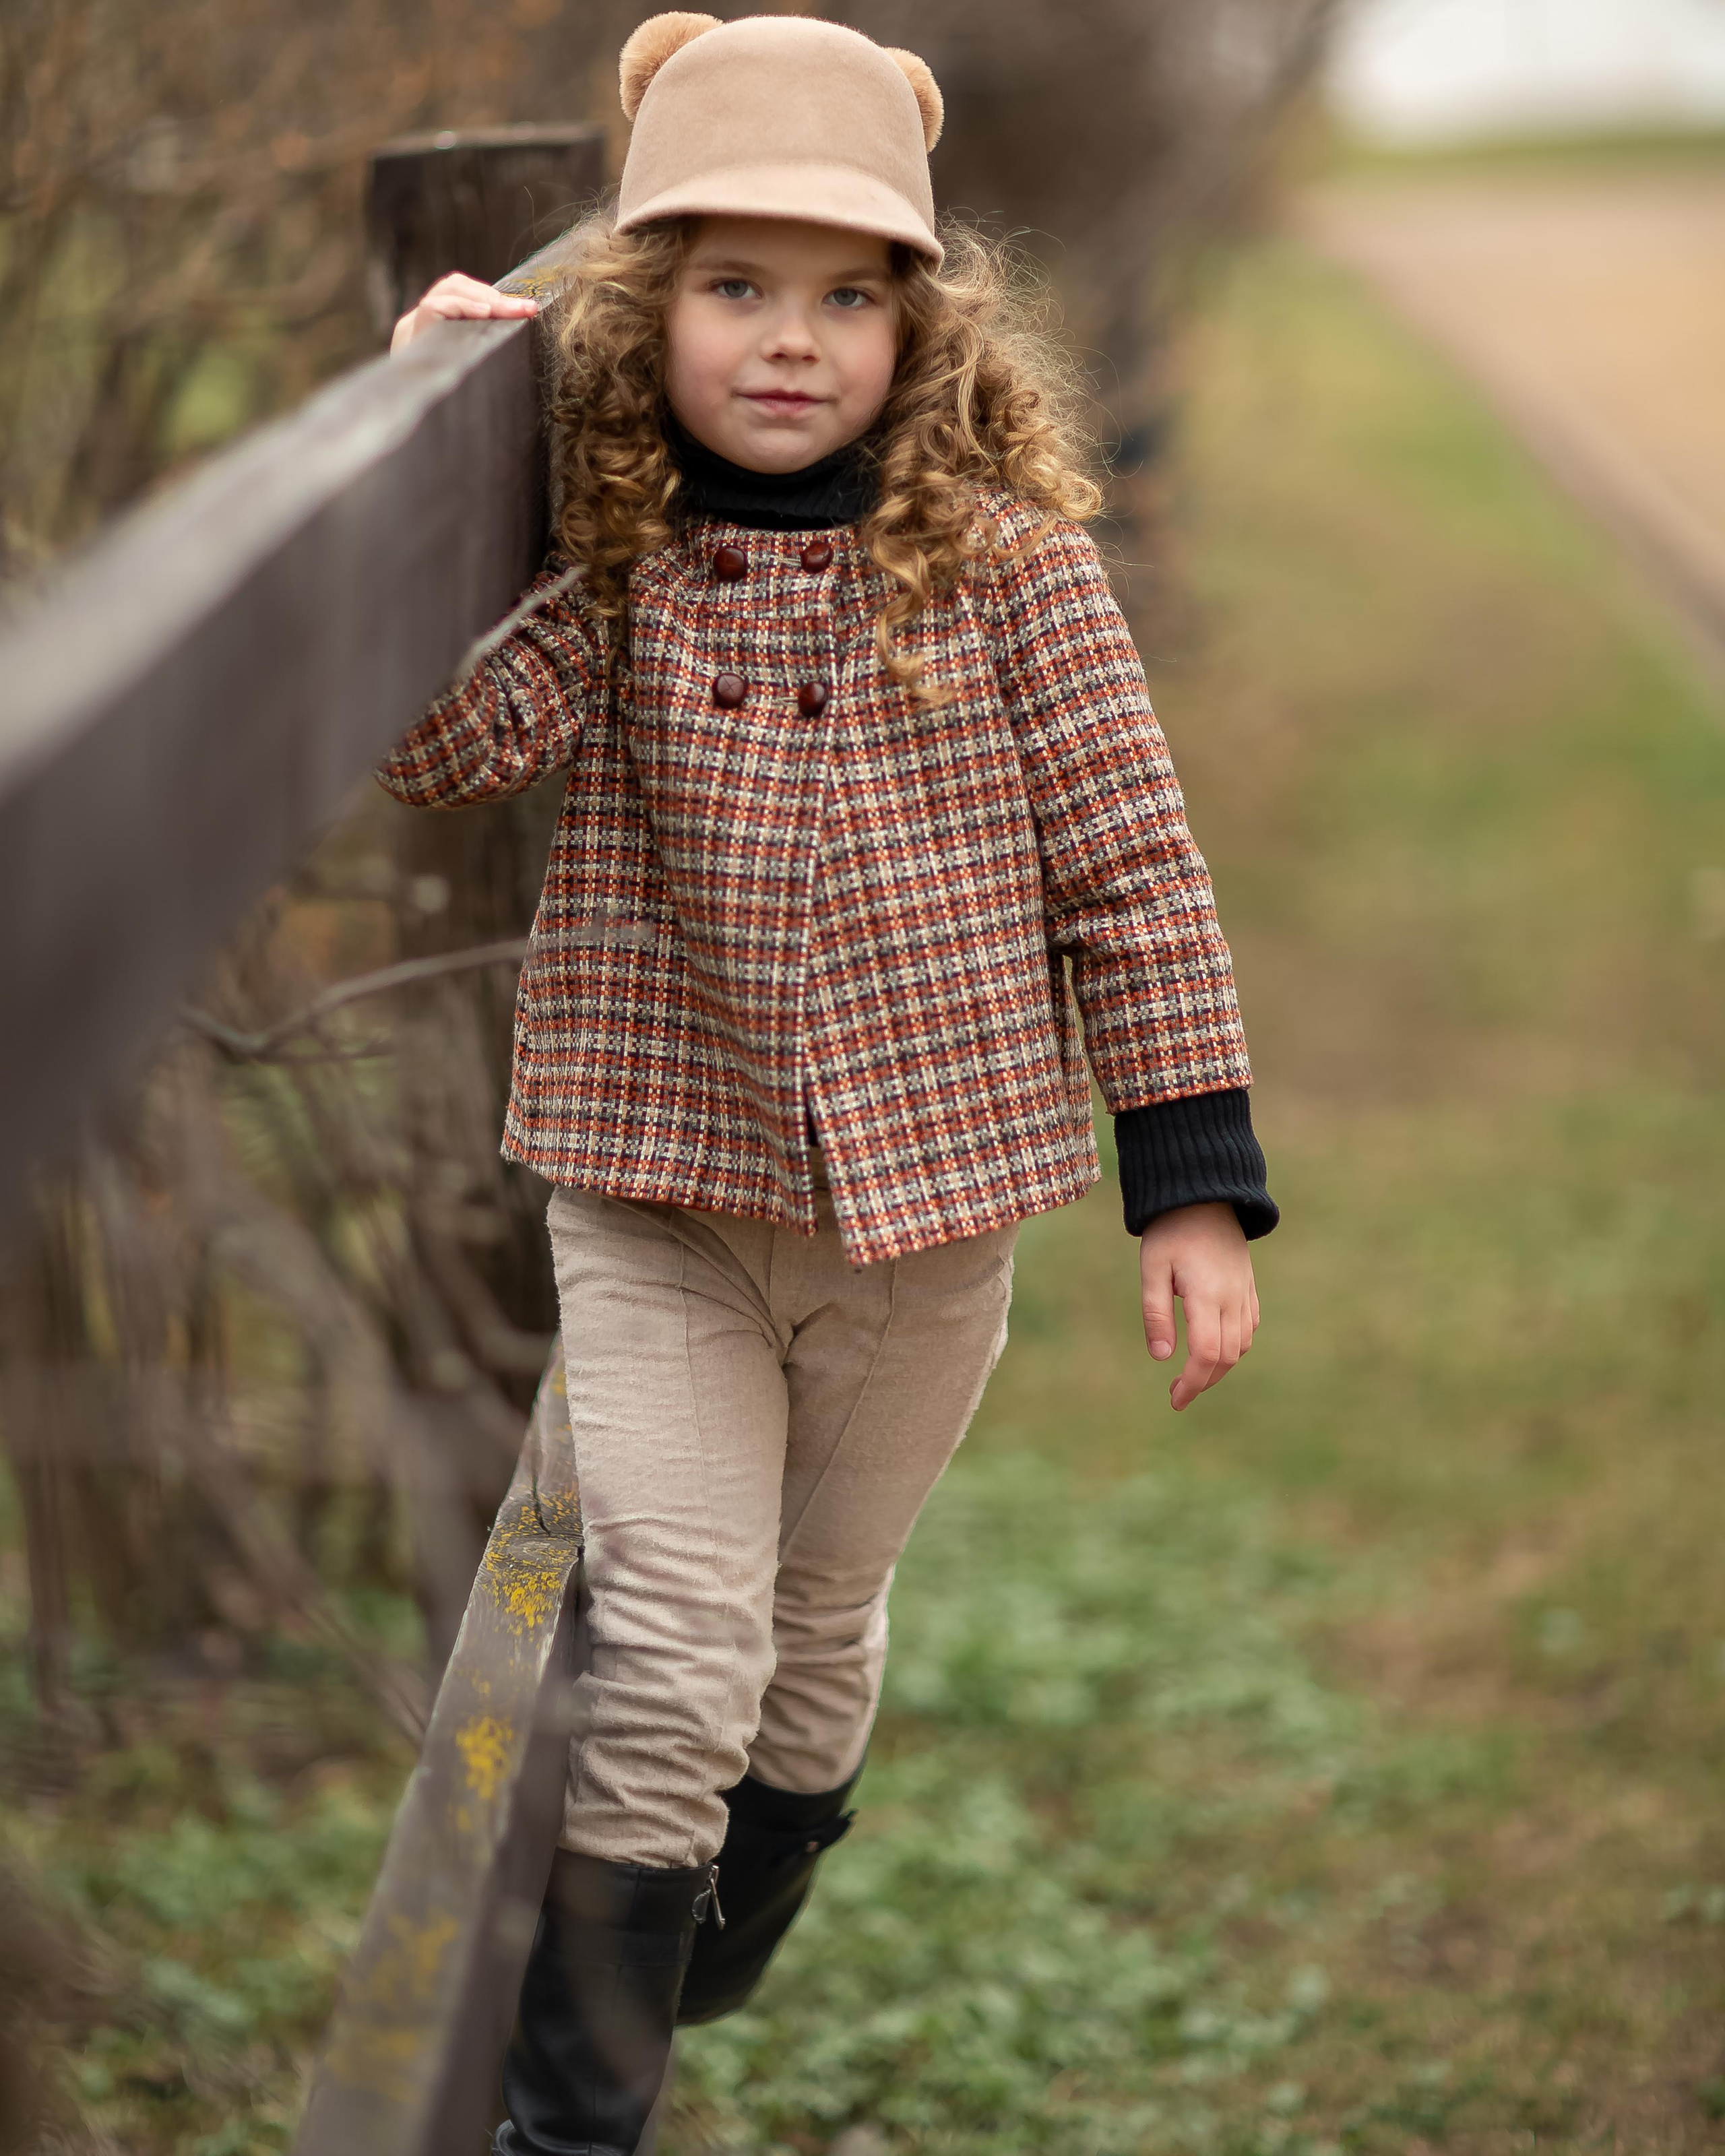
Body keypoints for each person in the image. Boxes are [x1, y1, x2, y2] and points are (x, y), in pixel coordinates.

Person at [379, 13, 1278, 2152]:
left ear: (919, 319)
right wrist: (434, 414)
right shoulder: (613, 564)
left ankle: (737, 1901)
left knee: (805, 1654)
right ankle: (570, 2120)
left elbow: (1135, 867)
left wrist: (1192, 1184)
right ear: (648, 297)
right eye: (735, 288)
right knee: (675, 1653)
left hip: (927, 1230)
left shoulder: (1013, 570)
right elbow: (442, 751)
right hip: (663, 1198)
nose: (792, 343)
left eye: (847, 295)